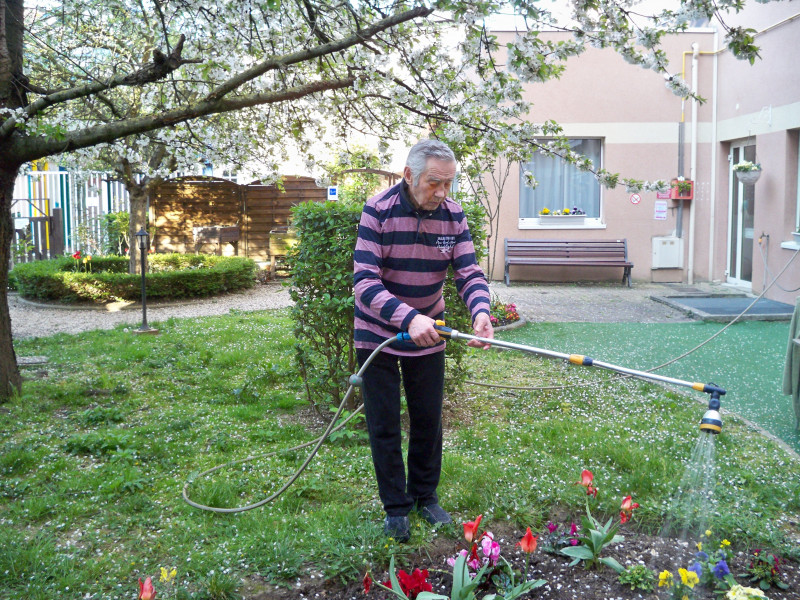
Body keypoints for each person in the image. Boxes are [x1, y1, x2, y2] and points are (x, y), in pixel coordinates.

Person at [353, 139, 494, 542]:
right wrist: (407, 317)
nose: (442, 193)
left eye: (448, 183)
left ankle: (425, 497)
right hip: (377, 332)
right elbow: (364, 281)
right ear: (409, 175)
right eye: (434, 183)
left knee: (428, 420)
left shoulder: (453, 215)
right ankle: (395, 507)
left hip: (428, 331)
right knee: (384, 424)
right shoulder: (377, 210)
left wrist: (481, 311)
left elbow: (468, 272)